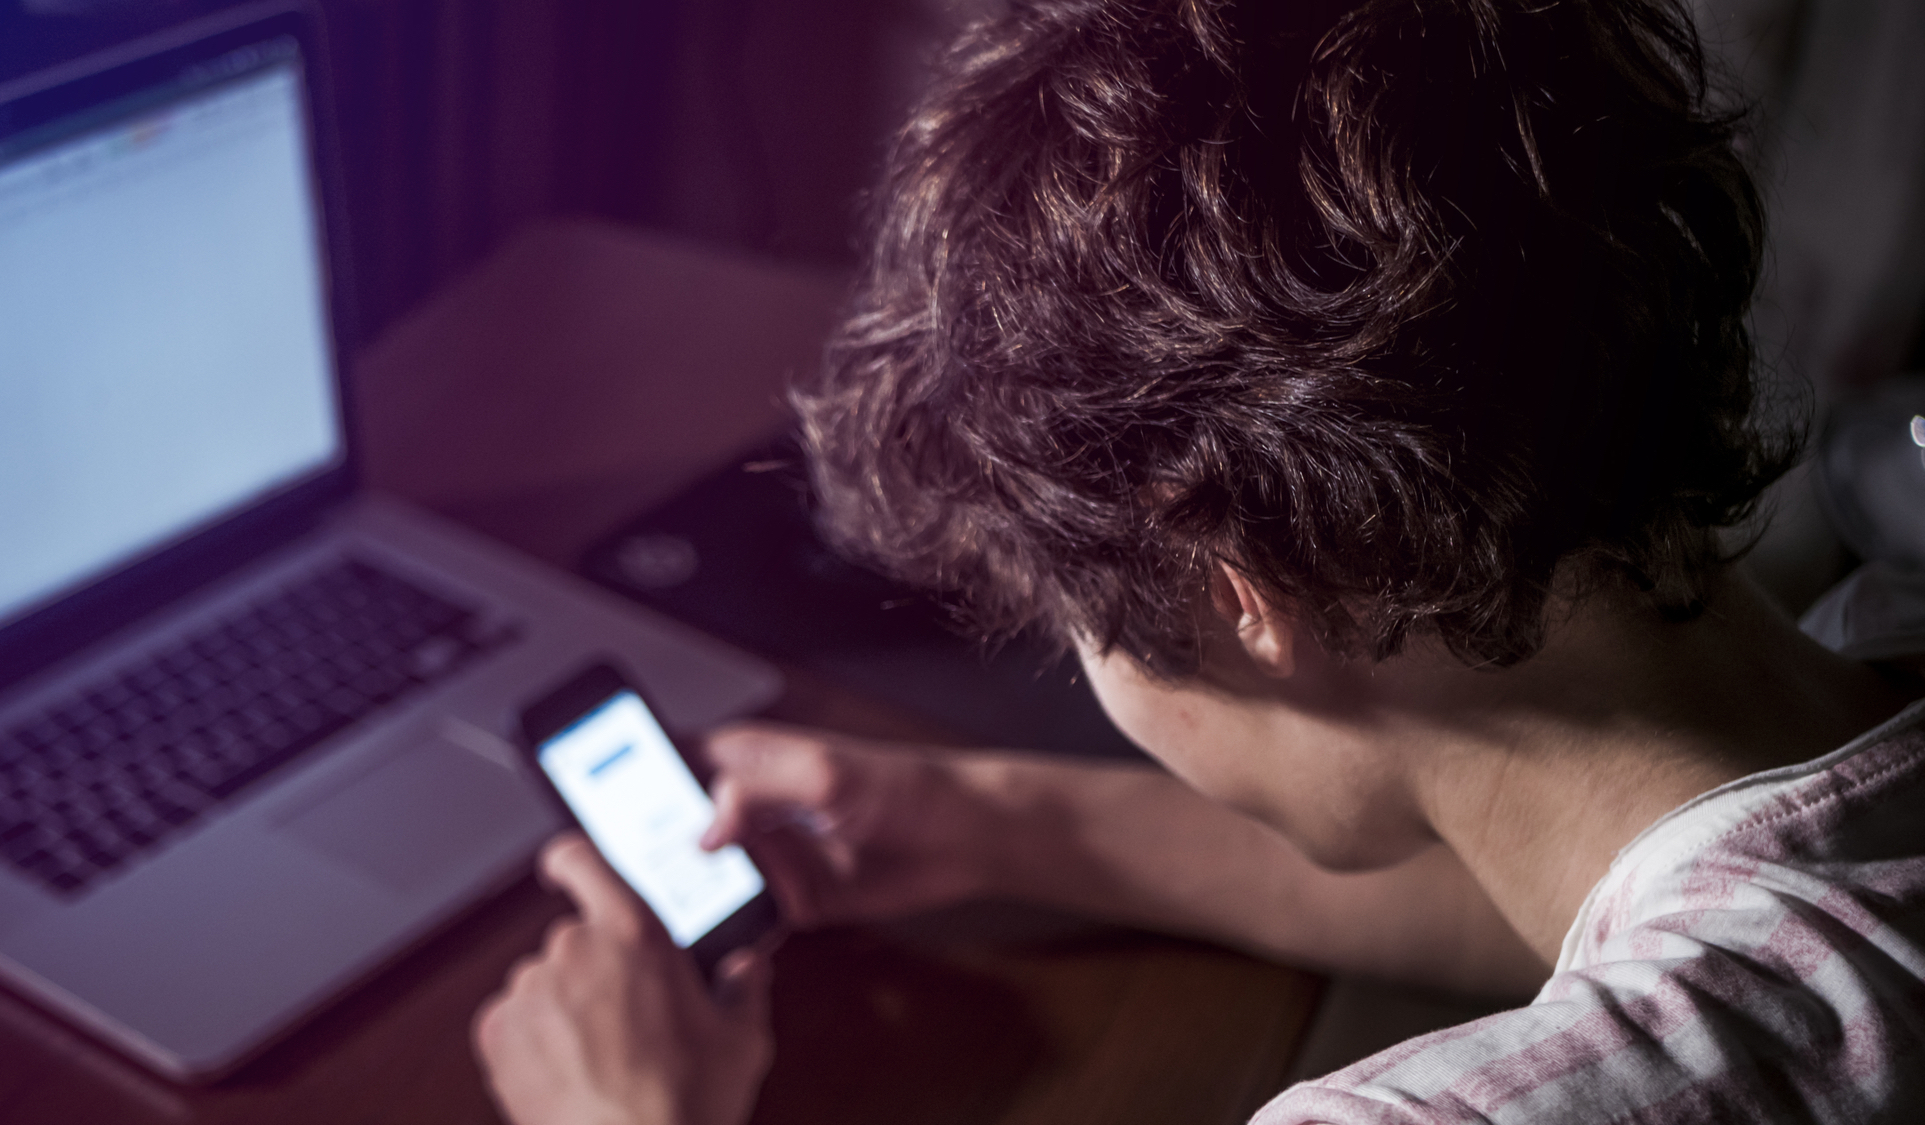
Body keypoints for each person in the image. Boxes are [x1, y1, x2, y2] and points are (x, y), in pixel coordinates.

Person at [470, 0, 1925, 1121]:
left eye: (1074, 625)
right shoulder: (1878, 647)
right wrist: (989, 819)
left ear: (1240, 597)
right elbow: (1552, 898)